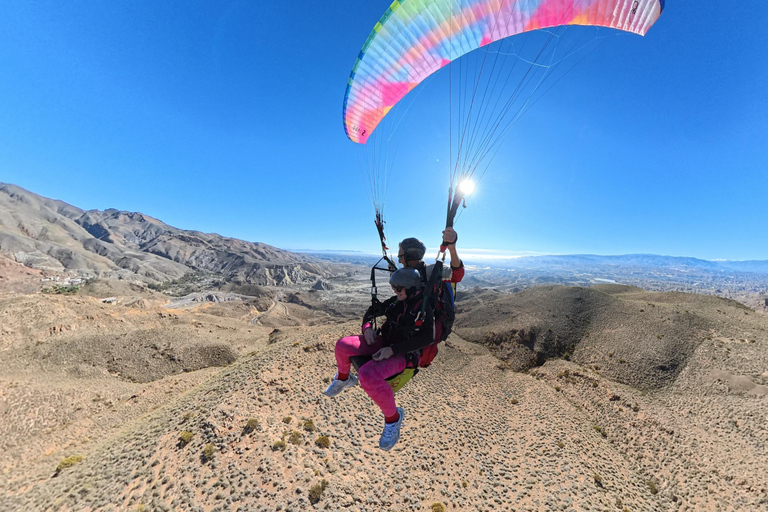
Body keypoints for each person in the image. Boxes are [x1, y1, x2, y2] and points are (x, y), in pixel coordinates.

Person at [324, 268, 433, 451]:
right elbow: (372, 311)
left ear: (412, 289)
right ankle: (344, 379)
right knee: (342, 345)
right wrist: (367, 328)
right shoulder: (397, 302)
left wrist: (393, 350)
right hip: (385, 342)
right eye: (393, 287)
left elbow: (426, 338)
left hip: (404, 353)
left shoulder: (422, 309)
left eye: (399, 288)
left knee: (367, 374)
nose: (395, 291)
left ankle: (393, 420)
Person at [398, 227, 465, 290]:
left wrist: (452, 249)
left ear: (410, 256)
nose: (399, 261)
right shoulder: (407, 271)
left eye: (400, 257)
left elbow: (456, 276)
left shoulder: (430, 271)